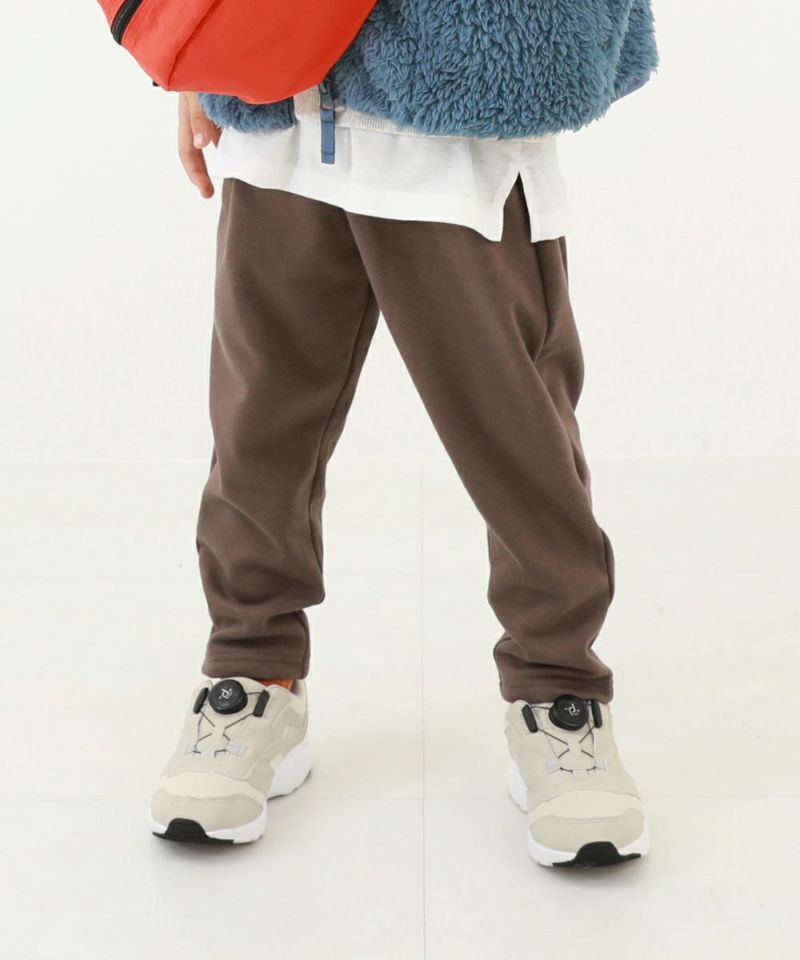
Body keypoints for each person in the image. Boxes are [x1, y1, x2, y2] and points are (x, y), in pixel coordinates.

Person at [148, 1, 658, 868]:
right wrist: (197, 50)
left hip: (464, 109)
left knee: (517, 434)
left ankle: (557, 690)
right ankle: (252, 671)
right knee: (258, 426)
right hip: (279, 94)